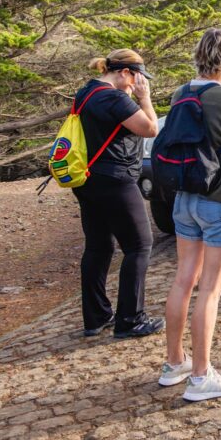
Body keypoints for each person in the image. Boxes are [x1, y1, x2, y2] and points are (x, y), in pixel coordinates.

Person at [160, 28, 221, 402]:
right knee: (211, 290)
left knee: (183, 279)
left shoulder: (180, 93)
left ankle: (174, 364)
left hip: (184, 198)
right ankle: (201, 376)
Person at [73, 49, 164, 339]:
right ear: (125, 72)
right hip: (116, 179)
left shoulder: (85, 92)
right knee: (139, 245)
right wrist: (144, 98)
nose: (140, 83)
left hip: (87, 178)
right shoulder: (114, 97)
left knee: (98, 247)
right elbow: (150, 129)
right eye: (138, 77)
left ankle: (95, 316)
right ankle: (130, 319)